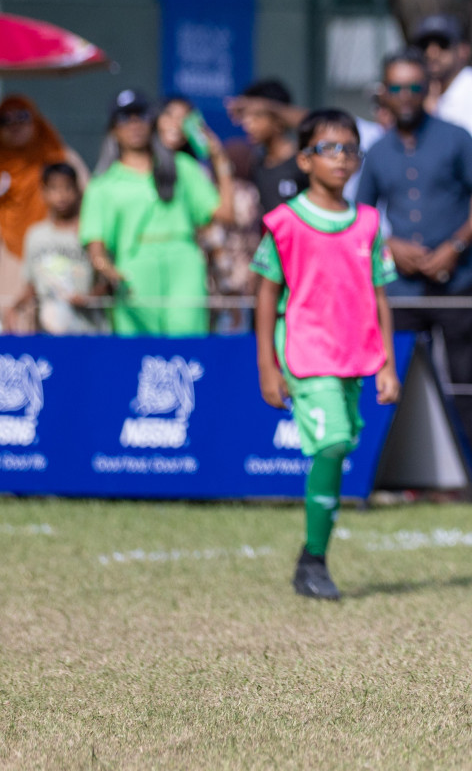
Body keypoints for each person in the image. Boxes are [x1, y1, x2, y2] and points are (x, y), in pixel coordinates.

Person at [252, 110, 399, 600]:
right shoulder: (285, 222)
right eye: (330, 148)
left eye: (350, 149)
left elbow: (380, 295)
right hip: (304, 350)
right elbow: (266, 295)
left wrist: (388, 364)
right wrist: (267, 368)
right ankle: (315, 560)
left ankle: (311, 557)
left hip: (355, 352)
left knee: (341, 447)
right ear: (304, 159)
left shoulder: (369, 223)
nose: (342, 158)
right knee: (333, 442)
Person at [356, 48, 472, 494]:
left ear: (429, 90)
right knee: (391, 380)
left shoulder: (457, 138)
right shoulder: (375, 152)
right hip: (401, 289)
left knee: (467, 381)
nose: (406, 96)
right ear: (384, 94)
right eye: (397, 88)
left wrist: (453, 247)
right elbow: (361, 217)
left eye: (415, 87)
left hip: (457, 281)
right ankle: (393, 477)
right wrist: (391, 245)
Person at [81, 90, 235, 336]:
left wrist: (220, 159)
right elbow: (95, 245)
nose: (134, 124)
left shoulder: (181, 167)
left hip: (184, 265)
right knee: (137, 357)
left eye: (141, 116)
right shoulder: (103, 185)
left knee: (186, 351)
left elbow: (226, 213)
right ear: (112, 130)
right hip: (134, 272)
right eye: (124, 118)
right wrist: (109, 271)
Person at [0, 96, 87, 320]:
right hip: (7, 255)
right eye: (5, 120)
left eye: (23, 117)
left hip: (56, 252)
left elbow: (86, 198)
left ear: (36, 121)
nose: (15, 125)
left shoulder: (58, 156)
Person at [6, 164, 108, 334]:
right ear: (43, 193)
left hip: (87, 331)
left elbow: (106, 282)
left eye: (67, 188)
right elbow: (31, 285)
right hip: (48, 333)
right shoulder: (35, 235)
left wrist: (88, 299)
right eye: (54, 189)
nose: (61, 195)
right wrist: (14, 308)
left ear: (78, 190)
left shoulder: (90, 232)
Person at [413, 13, 472, 141]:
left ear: (464, 50)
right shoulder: (414, 96)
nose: (431, 53)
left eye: (443, 44)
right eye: (424, 45)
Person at [236, 79, 309, 215]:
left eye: (256, 116)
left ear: (278, 118)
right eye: (246, 117)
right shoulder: (256, 163)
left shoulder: (303, 161)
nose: (248, 124)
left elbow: (317, 123)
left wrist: (269, 106)